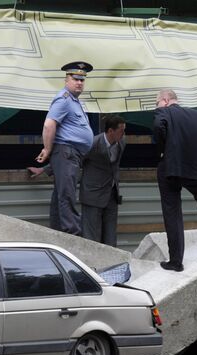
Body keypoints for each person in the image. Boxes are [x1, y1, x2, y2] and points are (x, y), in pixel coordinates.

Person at [28, 115, 127, 246]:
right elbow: (71, 160)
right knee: (92, 236)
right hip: (93, 194)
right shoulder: (93, 144)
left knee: (110, 235)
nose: (124, 133)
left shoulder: (121, 142)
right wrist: (45, 170)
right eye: (121, 130)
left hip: (111, 194)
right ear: (110, 131)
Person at [153, 89, 197, 272]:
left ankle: (176, 261)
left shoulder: (163, 112)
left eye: (156, 102)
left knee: (172, 212)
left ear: (165, 100)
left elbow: (159, 126)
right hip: (194, 169)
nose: (156, 106)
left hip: (169, 169)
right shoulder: (196, 115)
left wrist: (162, 150)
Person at [35, 61, 94, 235]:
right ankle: (72, 235)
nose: (79, 83)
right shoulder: (64, 98)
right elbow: (49, 125)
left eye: (82, 80)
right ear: (66, 79)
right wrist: (46, 149)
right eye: (75, 79)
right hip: (66, 152)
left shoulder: (74, 101)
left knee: (61, 195)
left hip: (70, 154)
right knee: (67, 195)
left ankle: (58, 234)